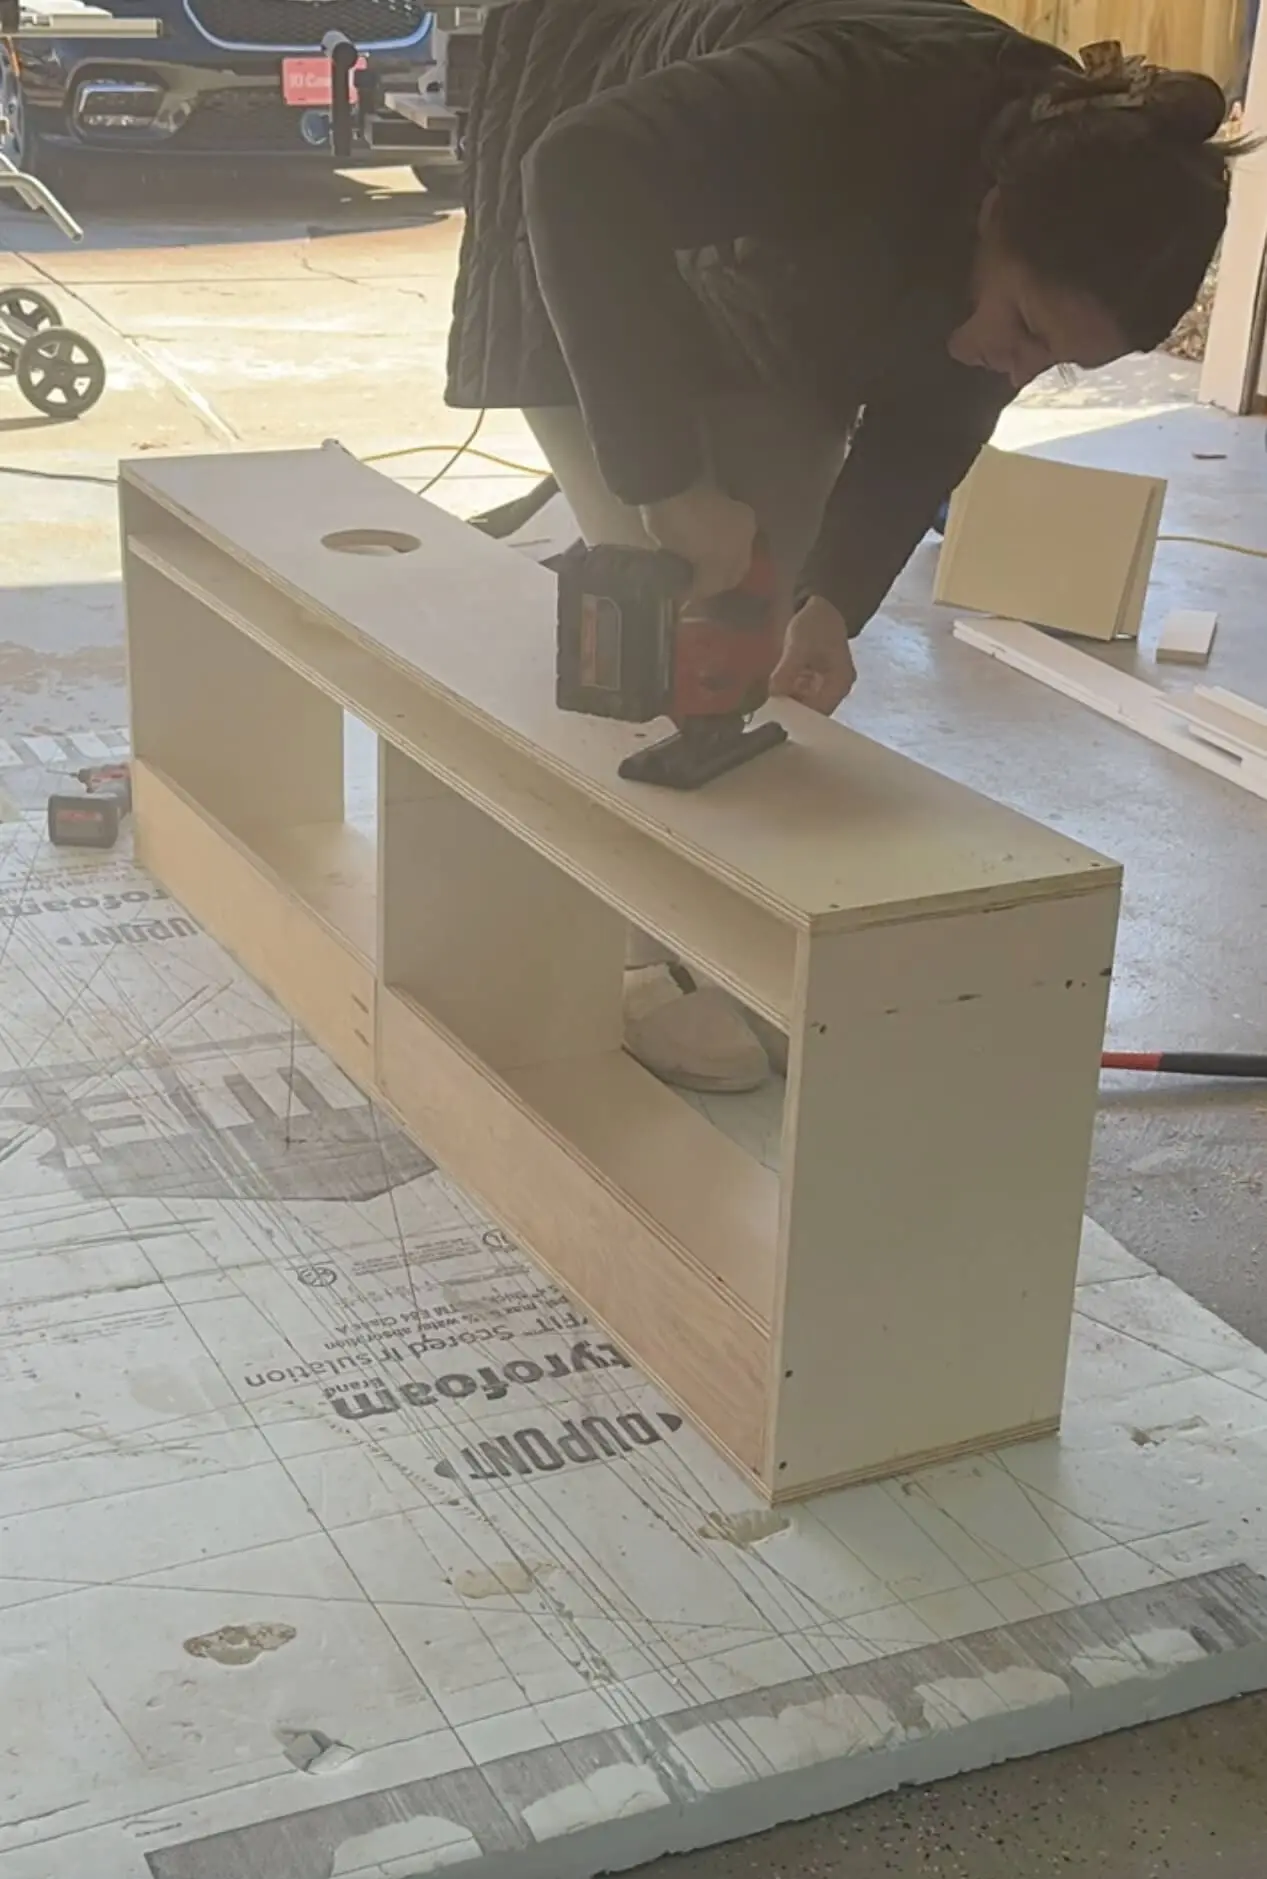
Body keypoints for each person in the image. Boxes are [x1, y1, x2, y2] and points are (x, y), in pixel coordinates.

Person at [446, 0, 1248, 1093]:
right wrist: (667, 483)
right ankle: (630, 966)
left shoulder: (1055, 190)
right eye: (1023, 326)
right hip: (594, 179)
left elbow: (949, 393)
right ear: (992, 212)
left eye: (1054, 360)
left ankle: (703, 933)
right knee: (666, 594)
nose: (1018, 368)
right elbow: (577, 174)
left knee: (755, 606)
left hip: (788, 264)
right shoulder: (853, 100)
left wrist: (832, 597)